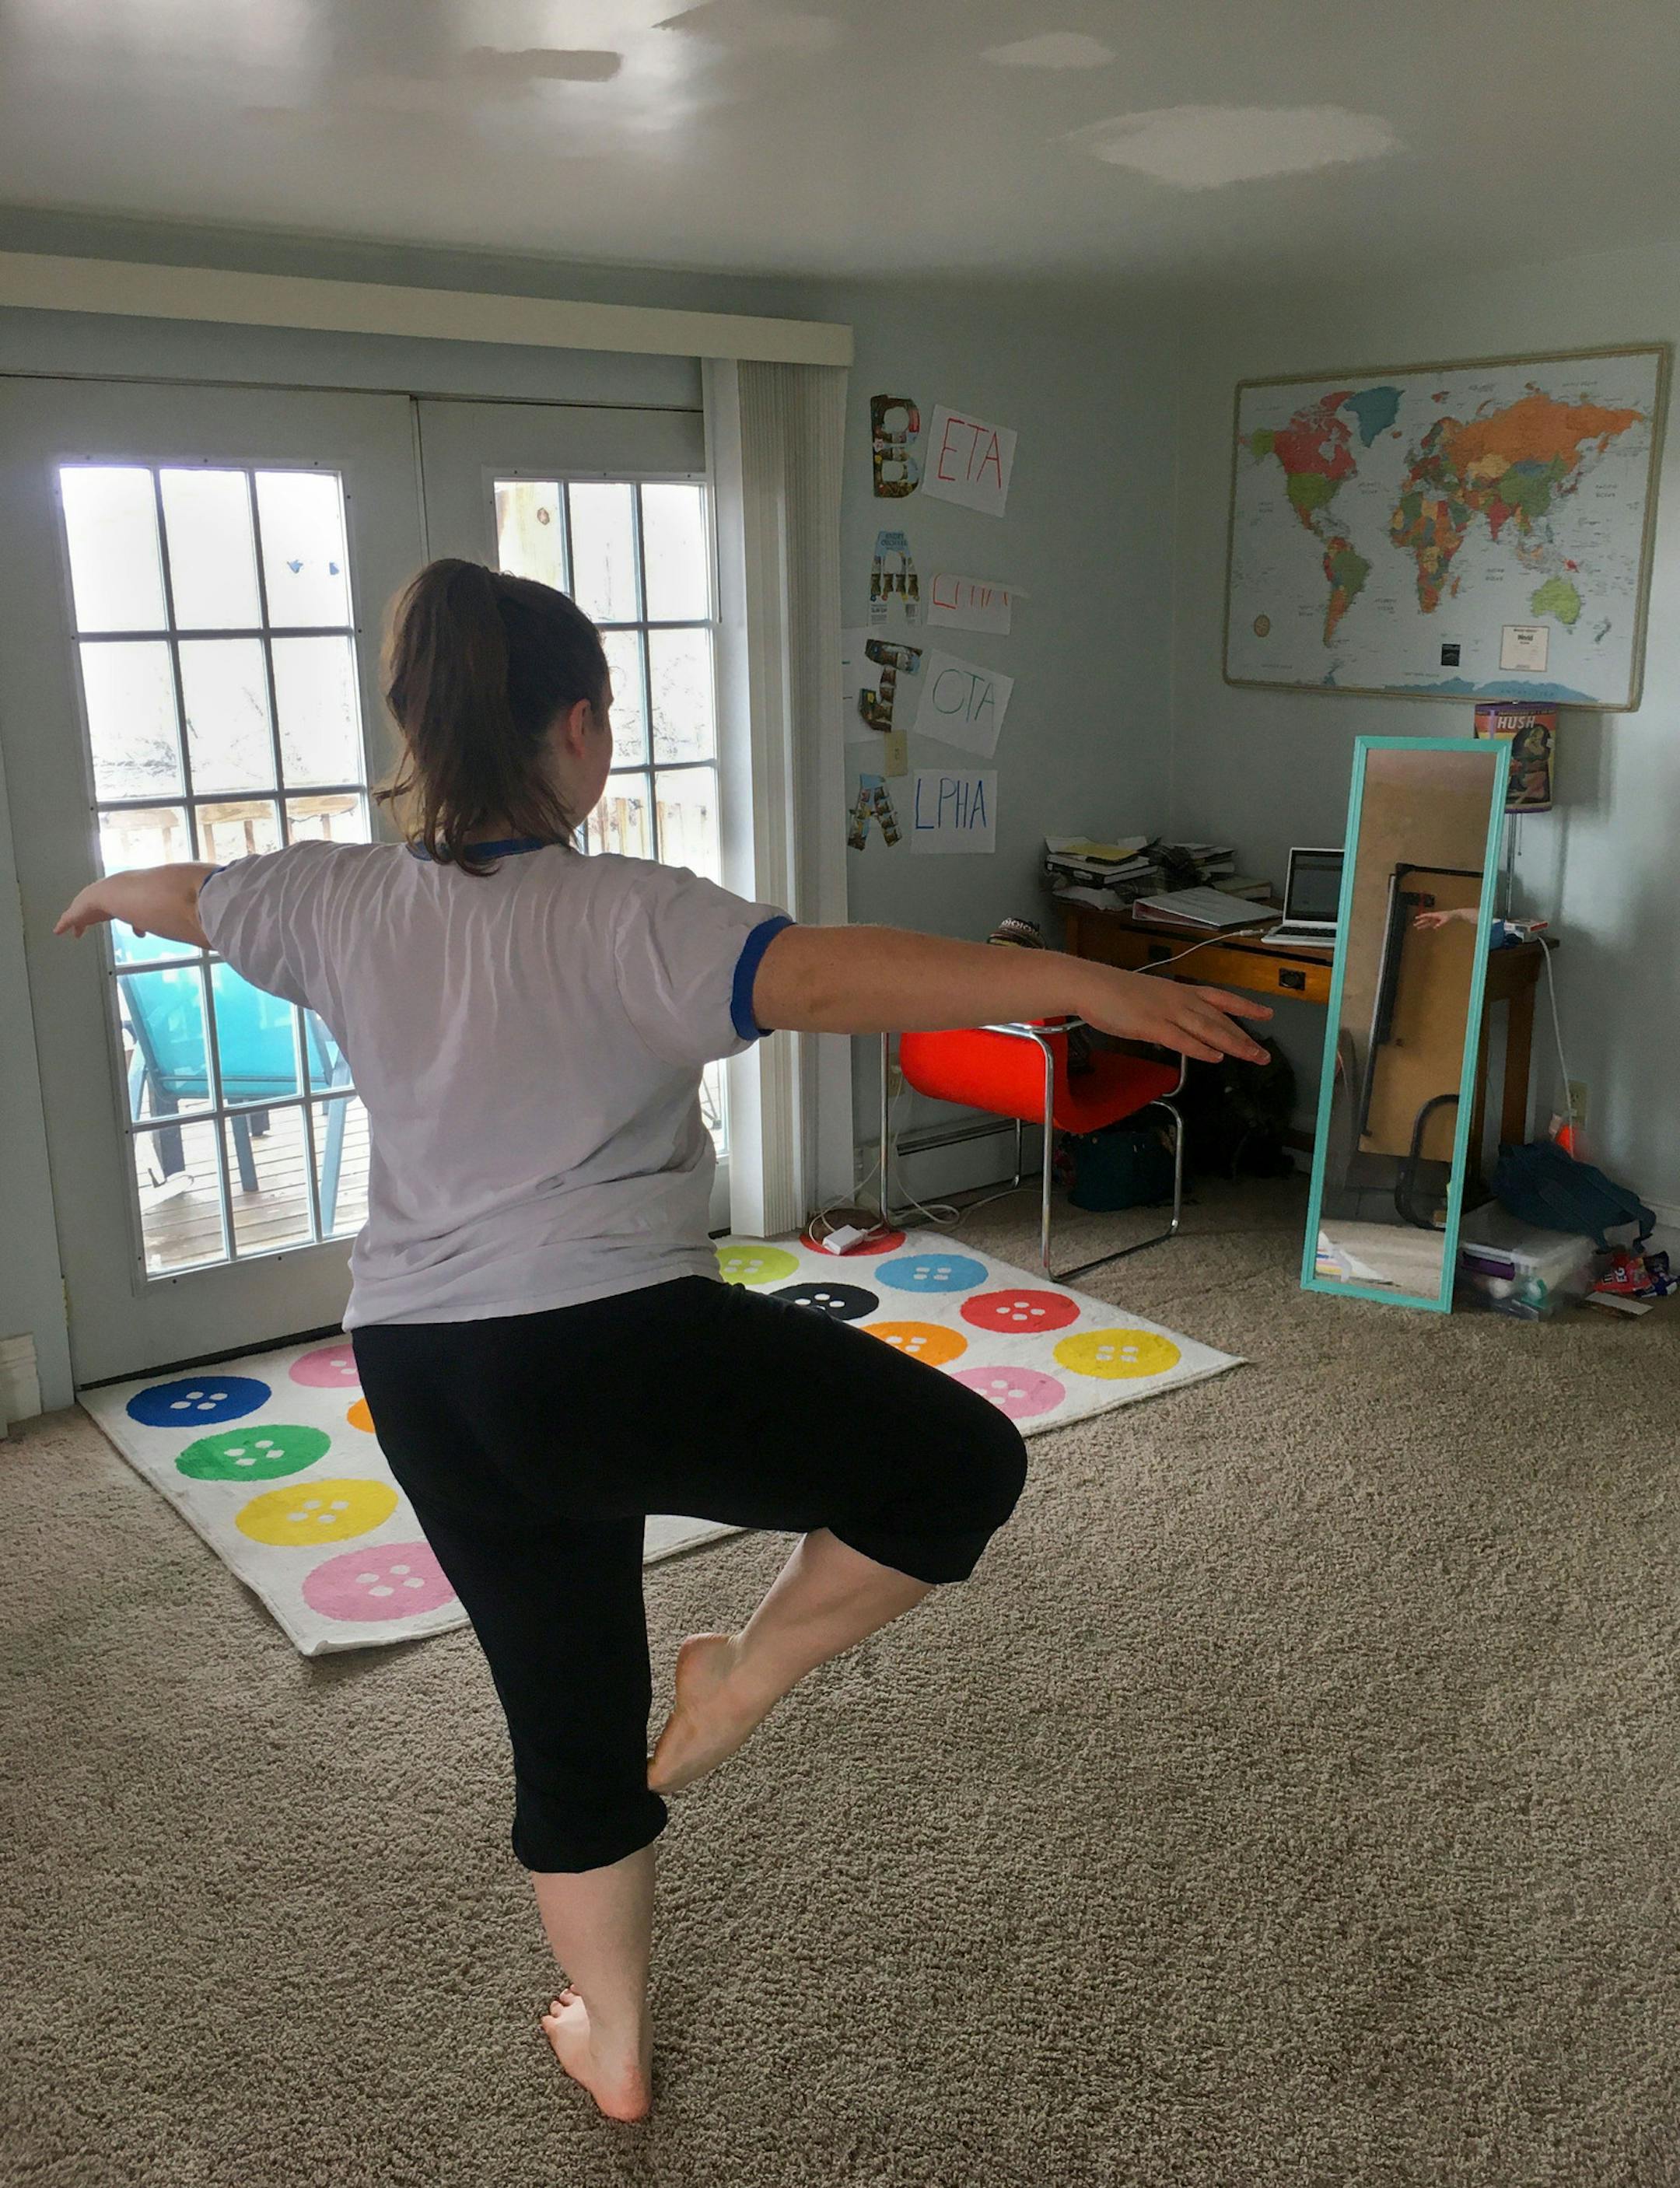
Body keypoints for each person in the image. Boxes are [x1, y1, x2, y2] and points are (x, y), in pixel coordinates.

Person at [57, 559, 1273, 2124]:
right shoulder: (630, 911)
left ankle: (612, 2040)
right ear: (580, 732)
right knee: (953, 1467)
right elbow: (839, 973)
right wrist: (1078, 976)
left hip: (421, 1376)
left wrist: (111, 892)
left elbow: (189, 896)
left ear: (414, 735)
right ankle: (745, 1676)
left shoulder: (325, 896)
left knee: (565, 1722)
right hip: (608, 1347)